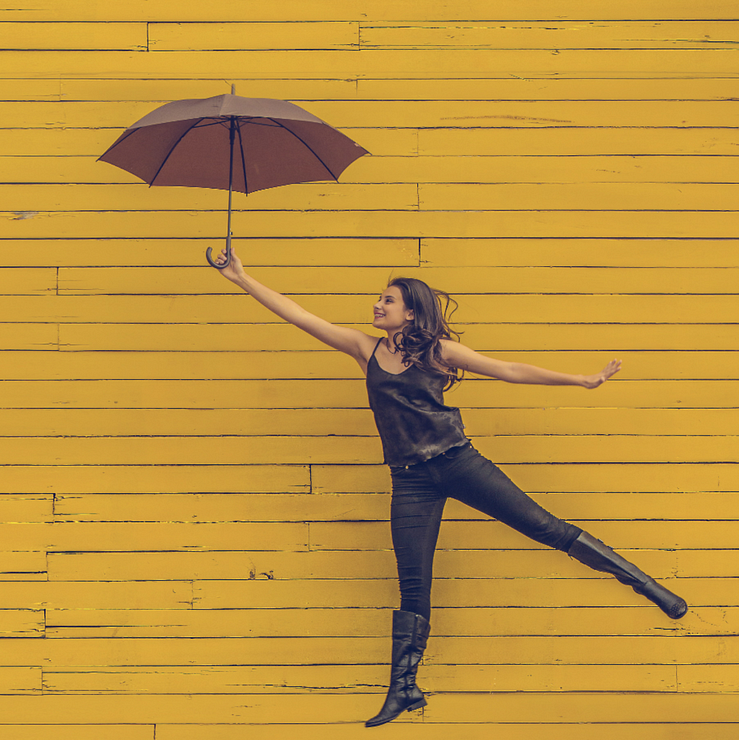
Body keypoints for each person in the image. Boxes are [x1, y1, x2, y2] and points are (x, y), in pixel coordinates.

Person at [213, 250, 688, 728]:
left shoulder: (438, 351)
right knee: (414, 585)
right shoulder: (365, 348)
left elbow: (509, 370)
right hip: (409, 479)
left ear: (411, 312)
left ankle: (648, 587)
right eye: (380, 299)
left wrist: (582, 380)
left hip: (458, 462)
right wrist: (241, 278)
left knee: (546, 528)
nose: (377, 306)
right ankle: (404, 689)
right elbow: (297, 313)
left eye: (387, 300)